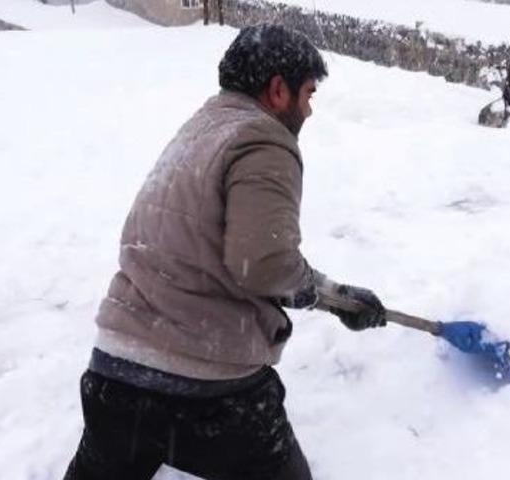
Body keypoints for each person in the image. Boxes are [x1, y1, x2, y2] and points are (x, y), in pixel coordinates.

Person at [63, 24, 387, 480]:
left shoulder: (201, 127)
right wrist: (326, 296)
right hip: (205, 393)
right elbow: (263, 262)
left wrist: (336, 298)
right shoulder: (265, 140)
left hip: (115, 374)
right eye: (309, 94)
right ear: (278, 89)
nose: (310, 110)